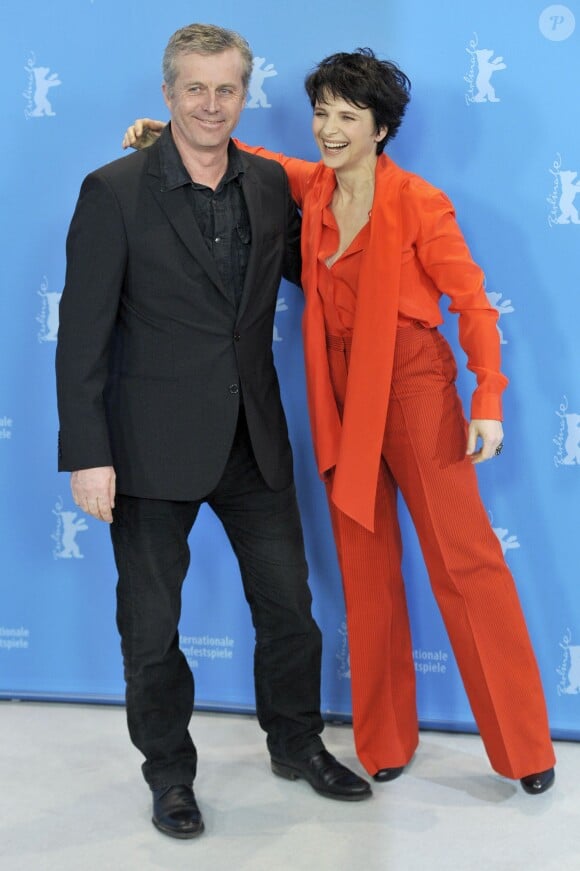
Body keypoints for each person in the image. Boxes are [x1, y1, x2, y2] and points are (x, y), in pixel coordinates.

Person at [124, 47, 556, 795]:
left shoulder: (420, 201)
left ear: (381, 129)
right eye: (321, 111)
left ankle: (525, 747)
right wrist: (162, 135)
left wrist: (488, 398)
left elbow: (475, 306)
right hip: (338, 395)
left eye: (346, 116)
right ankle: (384, 738)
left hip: (416, 390)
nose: (327, 128)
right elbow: (245, 151)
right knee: (365, 570)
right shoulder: (312, 187)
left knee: (467, 565)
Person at [56, 24, 372, 842]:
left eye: (225, 88)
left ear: (244, 93)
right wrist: (88, 454)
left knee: (292, 613)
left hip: (253, 439)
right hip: (149, 447)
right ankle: (170, 776)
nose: (210, 104)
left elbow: (329, 263)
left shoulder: (270, 186)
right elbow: (84, 334)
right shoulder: (113, 189)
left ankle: (296, 743)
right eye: (193, 88)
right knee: (152, 628)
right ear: (166, 95)